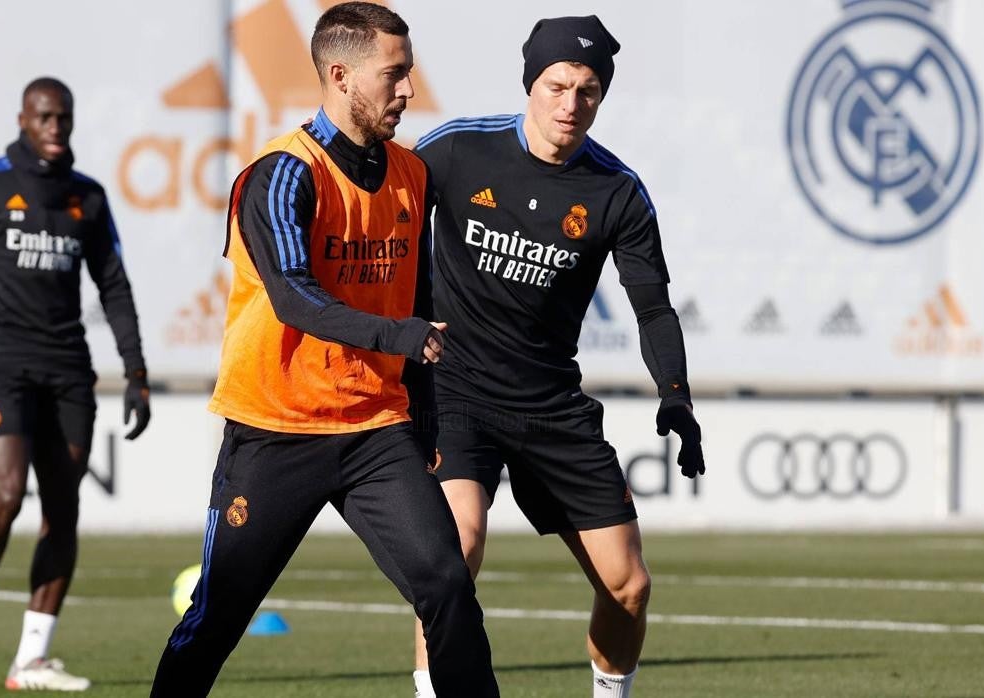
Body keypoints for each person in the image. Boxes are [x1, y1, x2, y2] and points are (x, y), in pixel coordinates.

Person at [150, 4, 498, 697]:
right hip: (276, 431)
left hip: (375, 428)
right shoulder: (280, 174)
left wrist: (422, 412)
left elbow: (416, 295)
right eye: (393, 76)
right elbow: (295, 300)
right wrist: (401, 339)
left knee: (447, 585)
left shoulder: (409, 172)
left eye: (409, 74)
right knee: (217, 617)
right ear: (340, 75)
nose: (408, 91)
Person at [410, 16, 705, 698]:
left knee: (629, 586)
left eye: (588, 90)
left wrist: (676, 394)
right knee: (455, 551)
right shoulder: (455, 152)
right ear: (531, 83)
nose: (571, 104)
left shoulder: (617, 191)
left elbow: (653, 307)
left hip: (549, 405)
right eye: (557, 85)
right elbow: (385, 229)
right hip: (454, 389)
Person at [0, 76, 151, 692]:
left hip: (68, 372)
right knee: (5, 498)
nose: (56, 127)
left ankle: (30, 658)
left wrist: (135, 372)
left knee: (64, 509)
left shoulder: (89, 197)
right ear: (24, 119)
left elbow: (115, 286)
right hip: (2, 363)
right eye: (46, 117)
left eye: (65, 118)